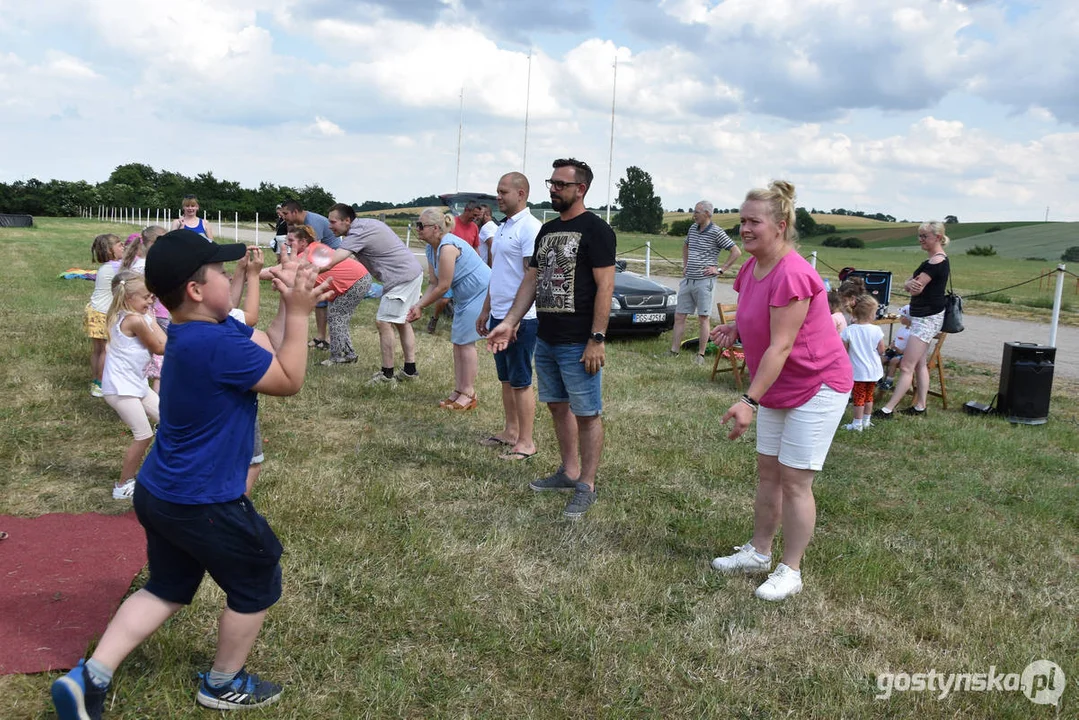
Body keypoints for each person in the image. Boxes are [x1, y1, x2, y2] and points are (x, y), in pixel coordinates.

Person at [50, 229, 331, 719]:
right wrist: (305, 313)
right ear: (197, 290)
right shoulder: (216, 345)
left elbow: (270, 344)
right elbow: (288, 379)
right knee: (258, 577)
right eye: (224, 274)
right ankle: (222, 684)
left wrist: (289, 302)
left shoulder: (195, 332)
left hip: (161, 491)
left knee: (168, 585)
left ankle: (90, 677)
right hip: (203, 500)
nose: (233, 277)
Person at [708, 180, 852, 601]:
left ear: (781, 224)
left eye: (754, 222)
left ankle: (791, 570)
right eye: (742, 221)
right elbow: (759, 317)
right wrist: (736, 327)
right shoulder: (752, 266)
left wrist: (748, 400)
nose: (744, 229)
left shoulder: (793, 273)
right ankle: (758, 552)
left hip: (817, 384)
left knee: (794, 480)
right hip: (779, 385)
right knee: (768, 472)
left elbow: (782, 344)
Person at [486, 158, 615, 519]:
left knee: (587, 413)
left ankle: (586, 484)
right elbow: (531, 281)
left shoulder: (597, 230)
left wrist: (597, 338)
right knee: (557, 406)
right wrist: (510, 321)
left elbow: (606, 286)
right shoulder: (547, 230)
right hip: (546, 337)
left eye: (561, 183)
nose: (553, 188)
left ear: (581, 189)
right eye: (552, 182)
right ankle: (568, 471)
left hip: (579, 341)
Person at [476, 172, 542, 460]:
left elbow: (532, 276)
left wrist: (514, 320)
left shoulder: (530, 228)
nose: (498, 197)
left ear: (521, 193)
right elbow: (498, 273)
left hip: (521, 320)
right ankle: (510, 432)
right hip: (498, 316)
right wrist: (487, 309)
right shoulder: (502, 228)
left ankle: (526, 442)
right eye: (497, 192)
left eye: (503, 192)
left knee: (521, 379)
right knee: (506, 378)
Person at [324, 203, 424, 385]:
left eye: (333, 222)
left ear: (347, 221)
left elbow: (332, 261)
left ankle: (387, 375)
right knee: (401, 321)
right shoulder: (365, 225)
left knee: (383, 321)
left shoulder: (357, 232)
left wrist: (305, 268)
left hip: (400, 277)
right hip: (412, 273)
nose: (330, 226)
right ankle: (410, 370)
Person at [407, 208, 491, 410]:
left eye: (421, 226)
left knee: (465, 342)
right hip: (465, 297)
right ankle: (460, 389)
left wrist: (420, 305)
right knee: (458, 342)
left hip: (481, 293)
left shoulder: (447, 247)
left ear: (435, 228)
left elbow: (444, 286)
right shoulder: (431, 249)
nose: (417, 229)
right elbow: (433, 282)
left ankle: (469, 393)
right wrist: (418, 304)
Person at [101, 271, 167, 500]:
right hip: (120, 389)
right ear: (129, 299)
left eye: (153, 296)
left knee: (172, 422)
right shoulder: (133, 320)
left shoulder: (144, 315)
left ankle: (165, 472)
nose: (152, 301)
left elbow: (163, 340)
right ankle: (122, 485)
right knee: (144, 435)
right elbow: (160, 347)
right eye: (147, 297)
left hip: (136, 385)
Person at [873, 222, 950, 419]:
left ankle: (888, 409)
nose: (921, 240)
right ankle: (920, 407)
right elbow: (910, 284)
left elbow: (915, 286)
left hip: (926, 318)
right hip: (923, 316)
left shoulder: (936, 262)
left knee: (907, 365)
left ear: (938, 237)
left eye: (925, 236)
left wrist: (911, 284)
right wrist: (910, 284)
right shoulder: (931, 260)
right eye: (920, 236)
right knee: (919, 364)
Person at [277, 224, 372, 366]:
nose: (287, 244)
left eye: (291, 240)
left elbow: (280, 270)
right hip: (357, 279)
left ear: (303, 242)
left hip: (356, 281)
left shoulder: (308, 254)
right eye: (287, 240)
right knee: (338, 317)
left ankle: (339, 356)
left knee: (336, 317)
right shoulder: (312, 248)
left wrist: (251, 274)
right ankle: (347, 353)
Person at [668, 201, 741, 363]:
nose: (694, 215)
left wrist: (720, 269)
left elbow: (736, 251)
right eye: (694, 212)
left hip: (705, 281)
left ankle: (700, 354)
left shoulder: (716, 232)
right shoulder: (692, 229)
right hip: (688, 279)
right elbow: (686, 246)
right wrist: (685, 265)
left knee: (703, 317)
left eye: (697, 212)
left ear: (707, 214)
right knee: (680, 315)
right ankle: (674, 350)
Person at [279, 199, 341, 349]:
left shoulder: (312, 222)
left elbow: (314, 249)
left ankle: (331, 339)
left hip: (331, 261)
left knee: (330, 301)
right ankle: (320, 336)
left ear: (295, 212)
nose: (283, 216)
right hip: (319, 261)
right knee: (319, 301)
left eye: (286, 213)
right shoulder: (298, 224)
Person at [85, 233, 125, 397]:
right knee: (105, 350)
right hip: (103, 313)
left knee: (97, 350)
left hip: (94, 310)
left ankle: (96, 381)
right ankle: (101, 383)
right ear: (110, 251)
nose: (123, 247)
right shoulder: (117, 266)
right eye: (120, 245)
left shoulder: (107, 267)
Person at [840, 294, 885, 431]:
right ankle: (866, 420)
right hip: (873, 370)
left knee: (858, 397)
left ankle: (857, 423)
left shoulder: (849, 331)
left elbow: (844, 352)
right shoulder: (876, 330)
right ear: (871, 314)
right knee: (869, 396)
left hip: (858, 371)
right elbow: (881, 350)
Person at [879, 305, 911, 390]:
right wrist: (892, 345)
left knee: (894, 361)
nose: (900, 318)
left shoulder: (912, 332)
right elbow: (896, 340)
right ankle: (879, 378)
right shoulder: (901, 329)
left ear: (909, 318)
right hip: (895, 351)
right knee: (881, 359)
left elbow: (910, 348)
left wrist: (897, 349)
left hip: (904, 354)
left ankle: (889, 381)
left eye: (902, 316)